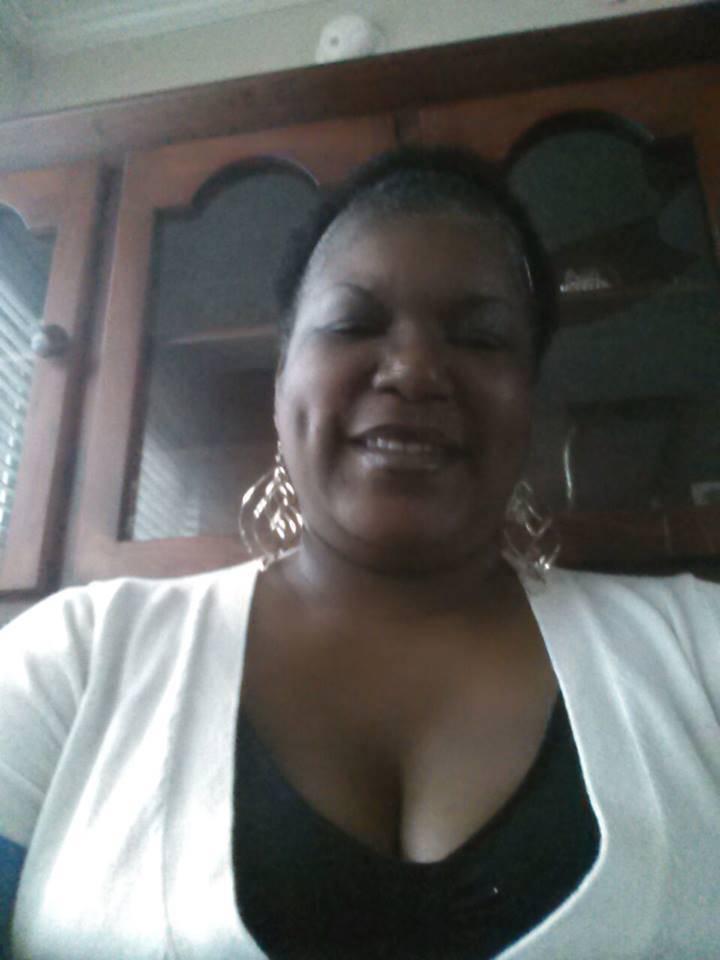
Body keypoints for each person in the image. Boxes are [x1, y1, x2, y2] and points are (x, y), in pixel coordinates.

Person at [1, 147, 718, 960]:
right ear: (281, 386)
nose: (414, 370)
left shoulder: (699, 650)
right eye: (352, 325)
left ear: (530, 401)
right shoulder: (72, 661)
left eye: (481, 337)